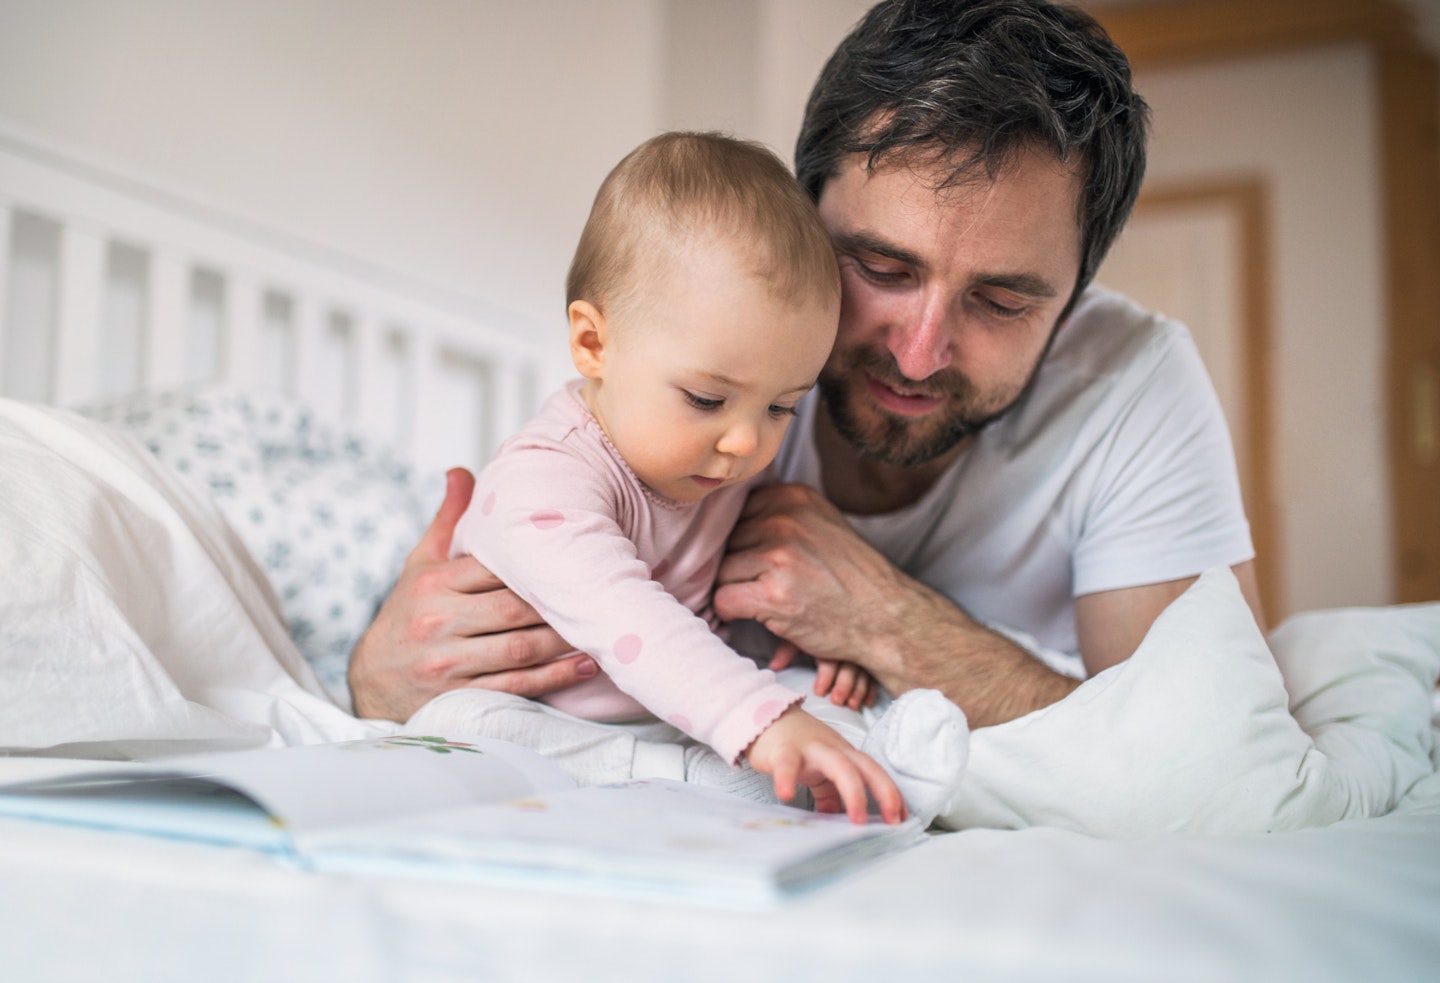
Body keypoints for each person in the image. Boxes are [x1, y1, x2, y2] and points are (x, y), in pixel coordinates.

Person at [351, 0, 1264, 742]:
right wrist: (378, 673)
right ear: (805, 219)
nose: (917, 351)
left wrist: (892, 626)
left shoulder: (1136, 383)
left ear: (1072, 303)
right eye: (880, 268)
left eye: (1001, 301)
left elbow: (1214, 756)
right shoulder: (709, 341)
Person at [407, 131, 971, 825]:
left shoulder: (713, 473)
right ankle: (688, 775)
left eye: (780, 407)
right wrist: (758, 718)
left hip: (665, 709)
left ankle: (891, 765)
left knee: (807, 700)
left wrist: (814, 647)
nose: (744, 442)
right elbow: (630, 616)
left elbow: (719, 613)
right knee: (463, 724)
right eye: (707, 399)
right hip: (545, 718)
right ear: (593, 344)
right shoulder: (542, 480)